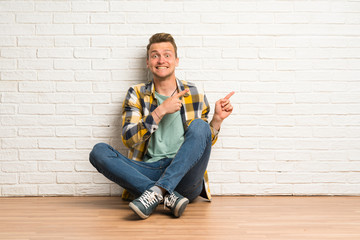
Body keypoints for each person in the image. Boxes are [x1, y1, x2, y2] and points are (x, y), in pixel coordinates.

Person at [89, 33, 234, 219]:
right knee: (99, 151)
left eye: (167, 54)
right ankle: (166, 196)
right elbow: (129, 139)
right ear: (148, 62)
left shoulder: (195, 93)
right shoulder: (136, 93)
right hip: (148, 171)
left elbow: (201, 142)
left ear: (176, 60)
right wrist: (160, 111)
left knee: (200, 125)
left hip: (185, 175)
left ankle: (156, 192)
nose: (161, 60)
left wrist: (217, 120)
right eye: (155, 55)